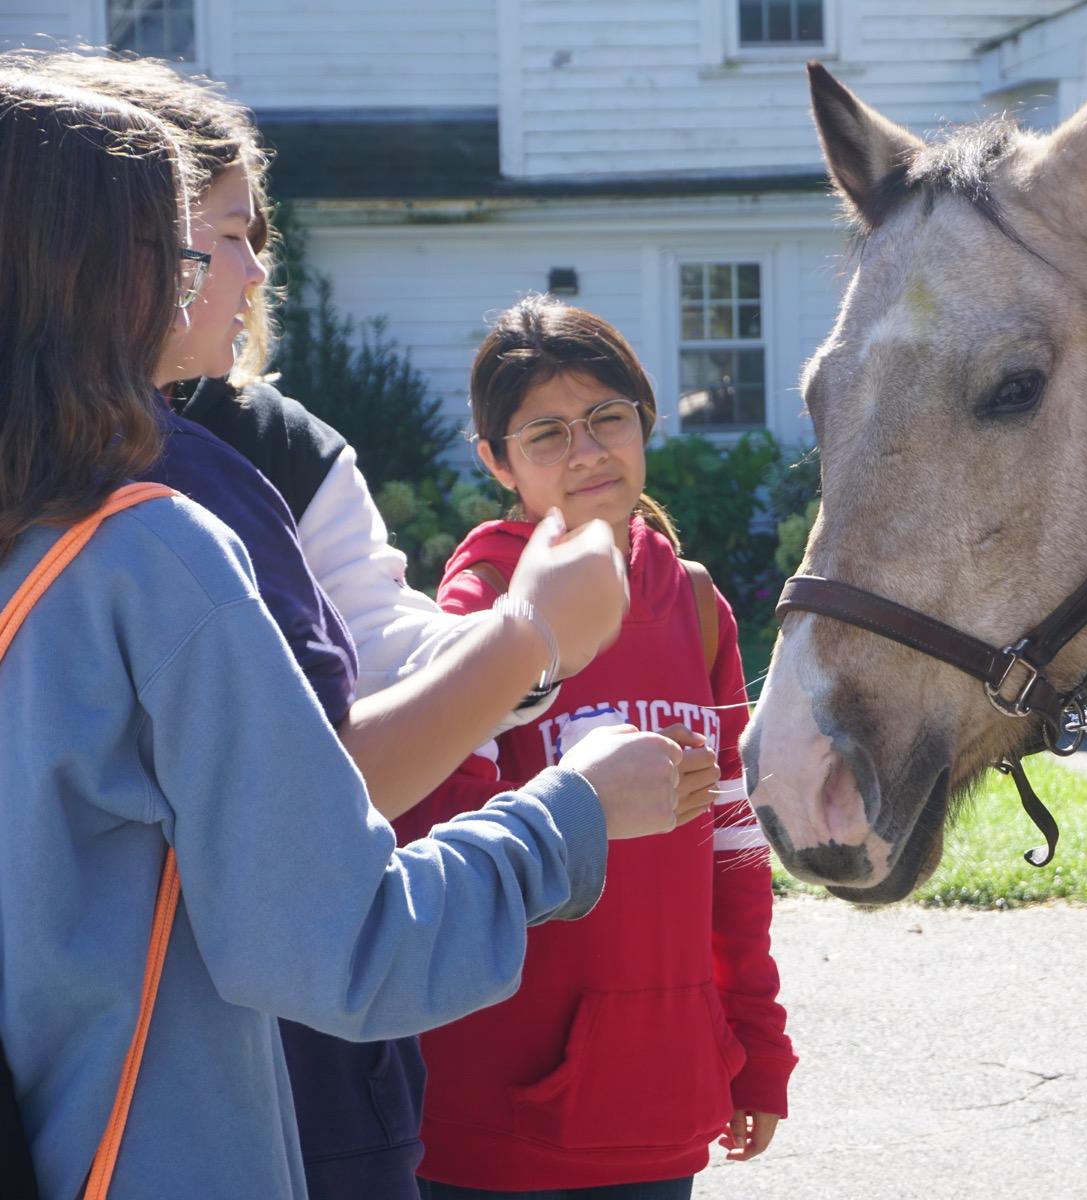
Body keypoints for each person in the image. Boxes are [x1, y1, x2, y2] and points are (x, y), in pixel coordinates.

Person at [4, 50, 679, 1197]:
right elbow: (341, 940)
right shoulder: (152, 553)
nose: (227, 278)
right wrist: (570, 806)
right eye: (185, 249)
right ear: (100, 278)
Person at [396, 296, 796, 1199]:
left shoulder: (694, 603)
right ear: (498, 461)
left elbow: (734, 854)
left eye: (607, 418)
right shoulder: (486, 610)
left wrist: (756, 1042)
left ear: (644, 423)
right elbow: (434, 849)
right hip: (501, 1110)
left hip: (662, 1096)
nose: (588, 452)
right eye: (546, 434)